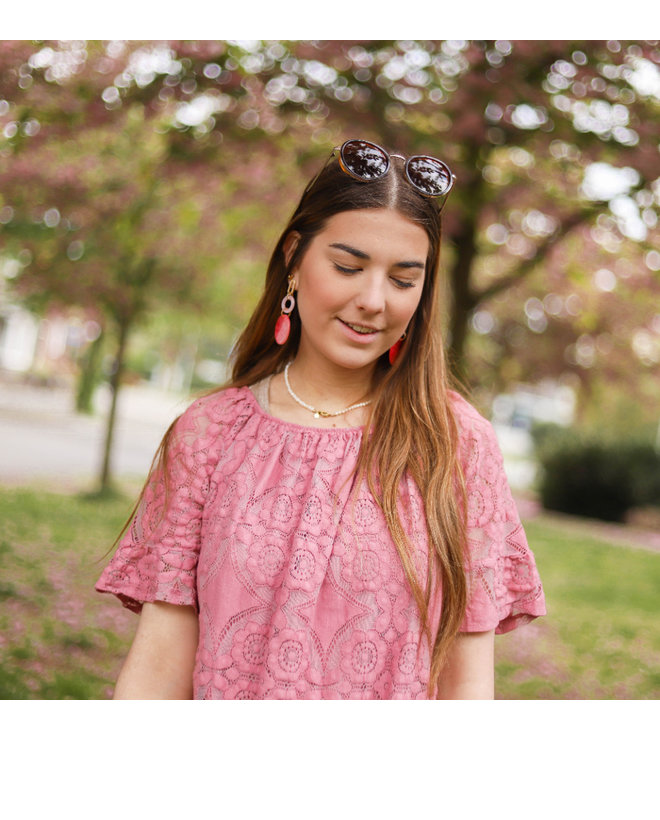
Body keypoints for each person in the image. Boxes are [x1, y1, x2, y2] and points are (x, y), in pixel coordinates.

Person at [96, 138, 546, 700]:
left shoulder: (457, 443)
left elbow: (468, 681)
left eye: (404, 280)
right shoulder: (209, 433)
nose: (374, 300)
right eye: (347, 266)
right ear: (293, 257)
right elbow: (159, 662)